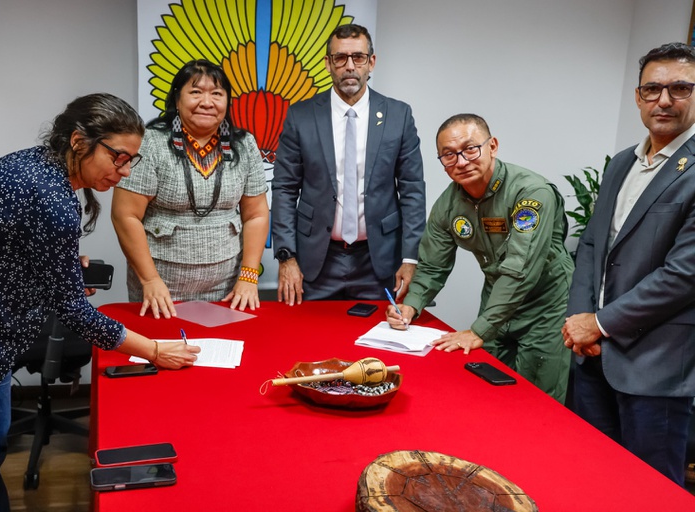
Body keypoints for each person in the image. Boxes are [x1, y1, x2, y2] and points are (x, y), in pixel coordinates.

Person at [0, 93, 199, 511]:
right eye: (118, 158)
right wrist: (154, 351)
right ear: (78, 141)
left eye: (132, 161)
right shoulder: (51, 197)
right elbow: (73, 310)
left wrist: (59, 265)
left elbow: (3, 247)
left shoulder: (34, 163)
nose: (123, 172)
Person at [562, 42, 695, 486]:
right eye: (653, 88)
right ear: (638, 97)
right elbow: (592, 246)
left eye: (679, 88)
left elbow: (683, 276)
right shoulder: (622, 163)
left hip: (654, 367)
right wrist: (579, 322)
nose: (664, 100)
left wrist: (599, 323)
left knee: (648, 489)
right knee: (592, 478)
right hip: (593, 357)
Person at [387, 114, 574, 403]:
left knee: (538, 398)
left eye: (470, 149)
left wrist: (479, 330)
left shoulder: (530, 193)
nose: (461, 162)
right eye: (449, 155)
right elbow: (433, 265)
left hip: (545, 304)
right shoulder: (448, 205)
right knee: (487, 386)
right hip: (496, 299)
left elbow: (520, 269)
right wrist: (410, 307)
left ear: (492, 146)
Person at [271, 23, 425, 304]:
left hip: (380, 261)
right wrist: (286, 256)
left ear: (372, 62)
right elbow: (284, 189)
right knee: (313, 342)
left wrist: (410, 257)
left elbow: (413, 190)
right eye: (340, 58)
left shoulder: (398, 115)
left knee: (378, 343)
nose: (350, 66)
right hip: (316, 260)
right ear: (328, 64)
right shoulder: (301, 116)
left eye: (358, 57)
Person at [112, 60, 269, 319]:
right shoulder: (150, 142)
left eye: (217, 94)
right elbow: (125, 215)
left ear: (227, 102)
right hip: (161, 285)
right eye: (196, 92)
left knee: (222, 354)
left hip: (227, 287)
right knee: (158, 353)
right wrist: (150, 280)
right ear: (177, 99)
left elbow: (256, 215)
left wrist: (249, 277)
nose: (207, 102)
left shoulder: (244, 145)